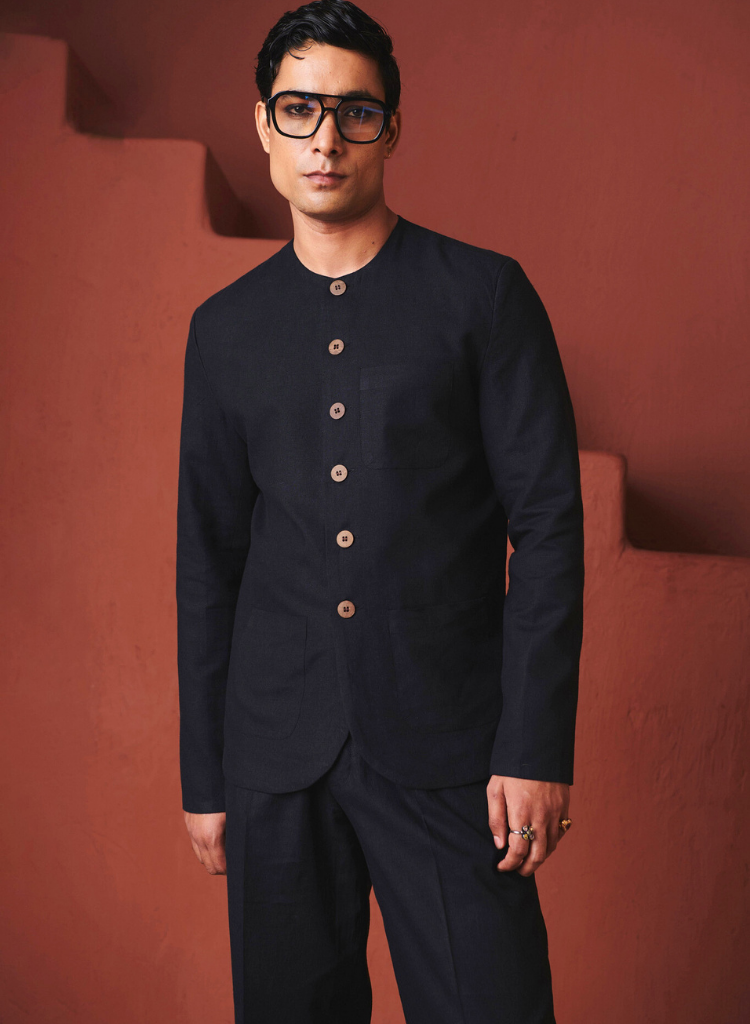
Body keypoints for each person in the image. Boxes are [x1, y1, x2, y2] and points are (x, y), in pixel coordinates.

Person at [175, 2, 584, 1021]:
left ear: (391, 130)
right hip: (275, 752)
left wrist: (533, 747)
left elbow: (548, 525)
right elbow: (208, 557)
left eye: (355, 113)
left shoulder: (485, 297)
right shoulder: (222, 330)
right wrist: (206, 775)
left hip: (451, 745)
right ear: (263, 123)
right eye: (299, 109)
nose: (325, 140)